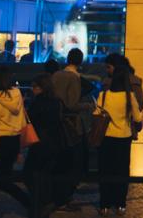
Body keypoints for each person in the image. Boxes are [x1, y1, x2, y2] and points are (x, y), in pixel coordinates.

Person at [0, 67, 30, 217]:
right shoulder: (17, 95)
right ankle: (31, 204)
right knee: (5, 180)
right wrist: (19, 150)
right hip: (13, 141)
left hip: (0, 143)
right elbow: (22, 123)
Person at [97, 65, 141, 216]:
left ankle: (104, 204)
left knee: (105, 170)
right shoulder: (129, 96)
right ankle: (120, 204)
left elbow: (97, 113)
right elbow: (137, 118)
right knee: (122, 171)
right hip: (123, 138)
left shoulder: (103, 95)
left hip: (106, 138)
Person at [52, 48, 91, 212]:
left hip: (55, 123)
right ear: (80, 61)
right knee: (74, 162)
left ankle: (56, 197)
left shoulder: (56, 75)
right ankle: (65, 197)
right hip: (71, 125)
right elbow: (72, 104)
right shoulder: (75, 78)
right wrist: (88, 106)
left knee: (59, 162)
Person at [25, 73, 65, 212]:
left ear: (41, 87)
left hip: (40, 143)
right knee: (45, 175)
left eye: (34, 87)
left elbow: (30, 120)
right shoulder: (57, 102)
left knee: (30, 174)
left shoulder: (38, 102)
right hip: (54, 142)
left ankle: (38, 203)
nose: (33, 89)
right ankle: (46, 202)